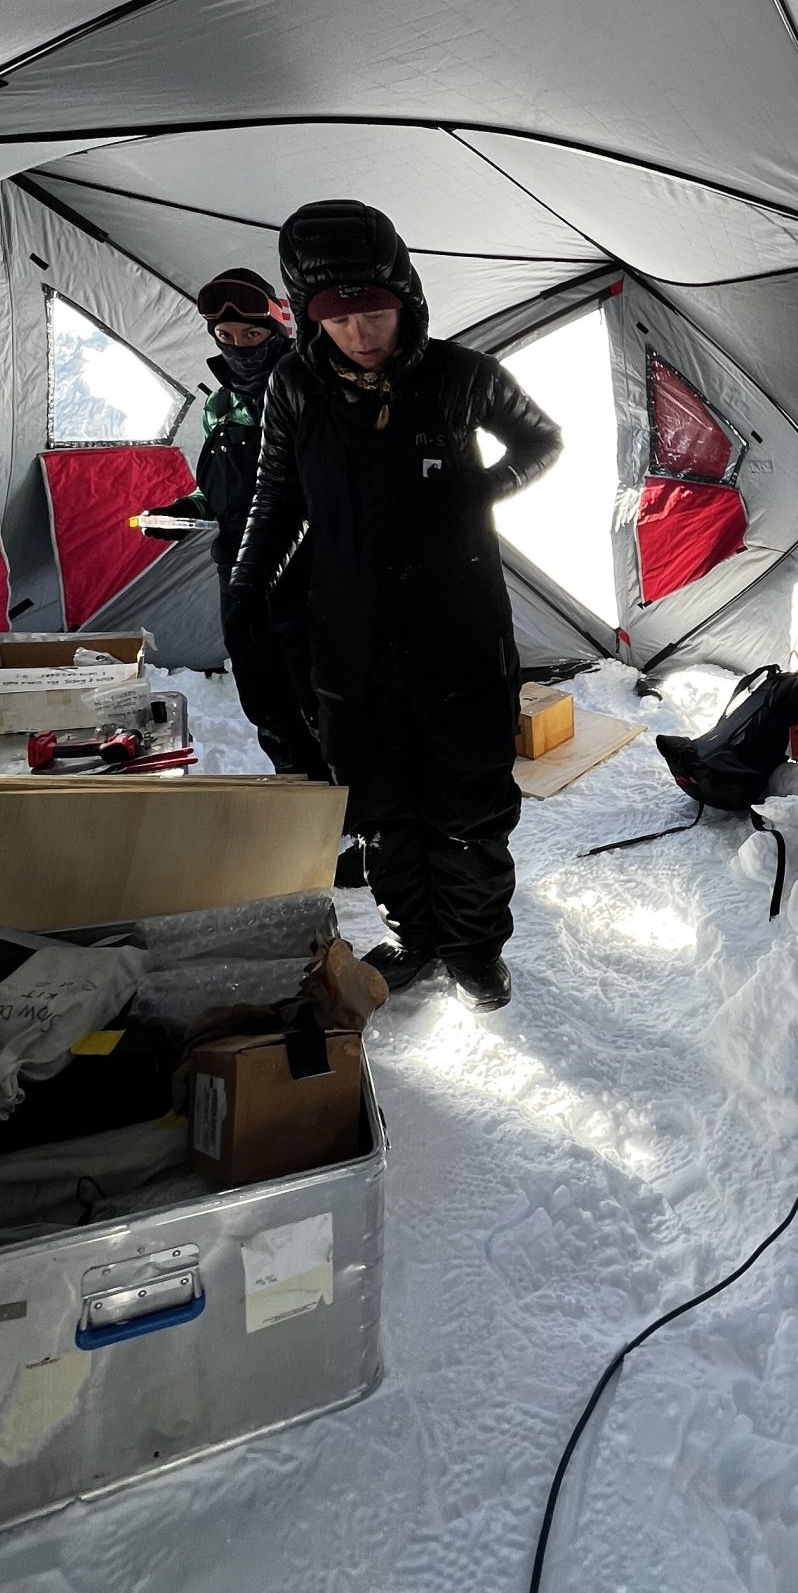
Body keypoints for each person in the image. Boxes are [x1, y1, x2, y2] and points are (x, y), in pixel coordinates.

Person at [228, 201, 561, 1011]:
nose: (359, 333)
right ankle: (416, 935)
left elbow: (541, 440)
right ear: (311, 318)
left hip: (460, 636)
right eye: (338, 319)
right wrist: (246, 582)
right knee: (381, 810)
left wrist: (479, 492)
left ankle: (476, 947)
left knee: (470, 808)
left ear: (406, 300)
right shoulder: (295, 387)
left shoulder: (461, 375)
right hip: (349, 640)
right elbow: (277, 498)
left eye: (374, 313)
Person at [145, 269, 328, 783]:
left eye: (252, 335)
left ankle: (355, 808)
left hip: (307, 574)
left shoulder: (312, 392)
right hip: (239, 577)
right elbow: (221, 492)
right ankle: (300, 793)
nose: (239, 348)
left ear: (279, 331)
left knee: (320, 694)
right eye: (225, 338)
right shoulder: (220, 406)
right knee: (263, 693)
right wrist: (186, 512)